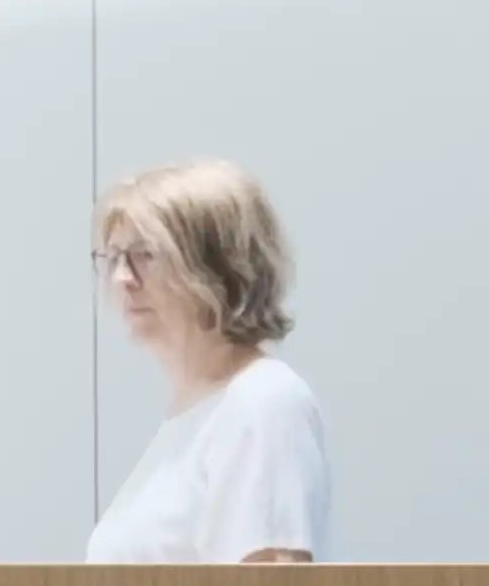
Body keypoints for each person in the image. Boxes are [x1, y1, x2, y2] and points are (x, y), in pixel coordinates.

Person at [88, 160, 330, 564]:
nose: (121, 278)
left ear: (218, 267)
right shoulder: (193, 415)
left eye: (144, 255)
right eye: (112, 257)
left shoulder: (262, 402)